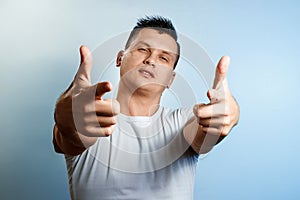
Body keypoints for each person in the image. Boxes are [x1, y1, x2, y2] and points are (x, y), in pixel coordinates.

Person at [53, 16, 240, 200]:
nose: (151, 60)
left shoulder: (183, 122)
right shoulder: (90, 117)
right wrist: (68, 119)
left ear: (170, 79)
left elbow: (201, 135)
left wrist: (224, 118)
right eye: (143, 49)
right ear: (120, 58)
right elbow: (70, 135)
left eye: (164, 58)